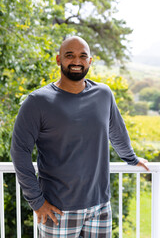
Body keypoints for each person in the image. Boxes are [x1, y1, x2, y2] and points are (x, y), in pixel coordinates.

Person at [11, 36, 149, 238]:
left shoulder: (104, 94)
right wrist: (37, 202)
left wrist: (132, 158)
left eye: (83, 56)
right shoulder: (37, 102)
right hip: (57, 210)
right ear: (59, 59)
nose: (76, 61)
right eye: (69, 55)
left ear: (90, 61)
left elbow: (117, 131)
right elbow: (19, 151)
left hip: (100, 208)